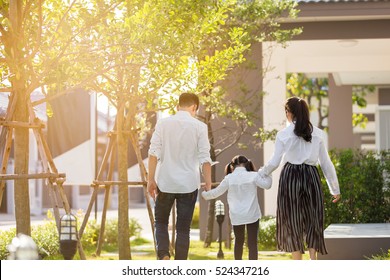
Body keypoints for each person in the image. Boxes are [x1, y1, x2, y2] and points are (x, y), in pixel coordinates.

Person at [258, 96, 341, 260]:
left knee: (291, 220)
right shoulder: (318, 133)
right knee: (313, 218)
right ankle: (313, 261)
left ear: (290, 112)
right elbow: (326, 163)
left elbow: (275, 161)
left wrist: (262, 172)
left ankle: (297, 265)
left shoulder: (283, 134)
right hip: (311, 176)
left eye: (286, 111)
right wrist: (335, 189)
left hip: (290, 178)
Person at [147, 92, 212, 260]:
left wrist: (150, 180)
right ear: (194, 107)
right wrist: (208, 182)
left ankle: (164, 256)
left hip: (165, 182)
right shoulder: (200, 127)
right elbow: (205, 158)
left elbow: (153, 153)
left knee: (160, 222)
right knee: (183, 229)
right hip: (188, 185)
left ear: (178, 106)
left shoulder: (163, 124)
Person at [201, 155, 272, 260]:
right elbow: (268, 185)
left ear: (232, 166)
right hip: (252, 214)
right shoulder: (253, 175)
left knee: (238, 242)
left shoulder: (229, 178)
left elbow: (216, 193)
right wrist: (268, 173)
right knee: (252, 244)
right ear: (246, 163)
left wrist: (204, 194)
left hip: (237, 216)